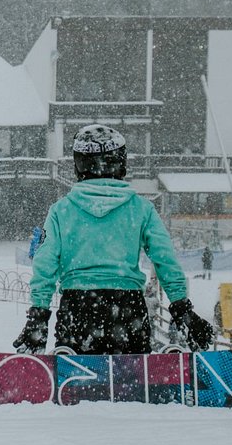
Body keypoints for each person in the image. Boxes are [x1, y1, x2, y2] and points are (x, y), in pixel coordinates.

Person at [13, 124, 214, 356]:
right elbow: (165, 259)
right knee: (132, 381)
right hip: (127, 308)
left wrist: (38, 314)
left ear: (79, 165)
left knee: (77, 383)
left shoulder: (61, 211)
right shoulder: (141, 209)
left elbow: (45, 264)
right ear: (122, 163)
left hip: (78, 308)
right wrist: (180, 306)